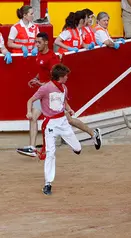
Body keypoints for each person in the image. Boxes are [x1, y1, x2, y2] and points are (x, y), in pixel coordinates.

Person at [16, 33, 102, 158]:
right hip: (44, 93)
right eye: (36, 42)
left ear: (46, 42)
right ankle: (32, 147)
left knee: (69, 119)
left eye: (38, 42)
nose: (36, 45)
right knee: (33, 117)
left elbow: (55, 80)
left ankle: (93, 133)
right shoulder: (40, 54)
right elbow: (42, 71)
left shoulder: (52, 58)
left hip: (53, 95)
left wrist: (40, 83)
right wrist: (36, 78)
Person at [26, 64, 100, 195]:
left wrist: (69, 109)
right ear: (60, 76)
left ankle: (75, 148)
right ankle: (48, 183)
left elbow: (64, 102)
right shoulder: (46, 88)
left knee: (78, 148)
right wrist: (29, 112)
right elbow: (30, 100)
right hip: (50, 124)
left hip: (63, 122)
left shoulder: (64, 88)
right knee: (50, 153)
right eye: (66, 75)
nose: (67, 77)